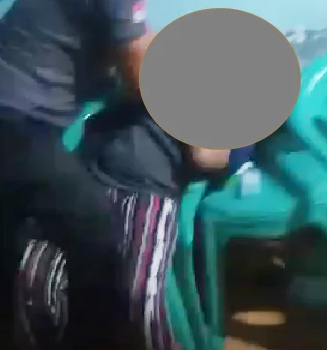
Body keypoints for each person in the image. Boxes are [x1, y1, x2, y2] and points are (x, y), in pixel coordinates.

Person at [0, 0, 184, 350]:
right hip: (14, 124)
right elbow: (141, 79)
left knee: (7, 244)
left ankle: (4, 329)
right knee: (97, 233)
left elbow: (116, 62)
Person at [14, 99, 232, 350]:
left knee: (138, 302)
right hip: (83, 179)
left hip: (148, 188)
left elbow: (211, 157)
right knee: (35, 281)